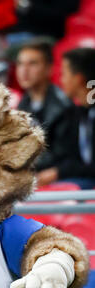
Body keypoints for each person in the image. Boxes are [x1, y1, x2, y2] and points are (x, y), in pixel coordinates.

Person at [16, 40, 74, 187]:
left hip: (57, 179)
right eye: (20, 64)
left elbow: (61, 156)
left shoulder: (63, 107)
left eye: (32, 64)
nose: (24, 70)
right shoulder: (24, 103)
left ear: (49, 69)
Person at [59, 48, 95, 189]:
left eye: (64, 74)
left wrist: (59, 172)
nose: (61, 80)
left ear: (78, 78)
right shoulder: (75, 114)